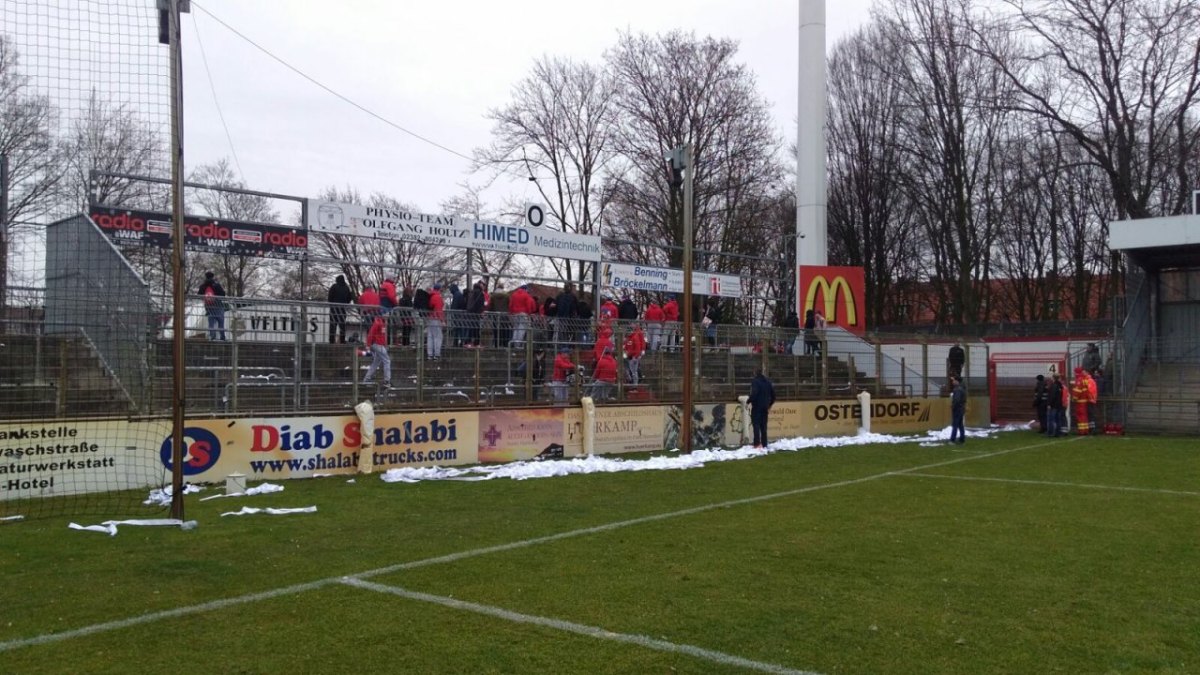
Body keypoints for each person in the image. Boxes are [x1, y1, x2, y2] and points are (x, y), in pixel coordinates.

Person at [360, 314, 390, 390]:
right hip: (377, 344)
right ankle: (387, 380)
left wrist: (384, 344)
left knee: (376, 362)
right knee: (387, 361)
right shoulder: (378, 322)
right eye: (386, 314)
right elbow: (371, 333)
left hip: (379, 344)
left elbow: (382, 335)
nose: (388, 315)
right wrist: (368, 345)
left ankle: (366, 379)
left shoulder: (382, 322)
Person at [748, 367, 776, 448]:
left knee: (756, 424)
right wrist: (769, 405)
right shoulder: (768, 382)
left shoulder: (755, 381)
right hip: (765, 407)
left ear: (755, 373)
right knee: (763, 426)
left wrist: (748, 401)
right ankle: (764, 443)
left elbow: (754, 394)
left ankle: (757, 443)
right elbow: (773, 396)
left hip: (757, 406)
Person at [198, 271, 227, 341]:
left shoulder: (203, 286)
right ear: (212, 277)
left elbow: (199, 295)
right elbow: (223, 294)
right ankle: (222, 337)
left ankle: (212, 336)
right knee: (221, 322)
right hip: (218, 305)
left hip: (209, 306)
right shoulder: (216, 285)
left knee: (211, 322)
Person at [326, 274, 354, 344]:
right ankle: (342, 340)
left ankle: (331, 340)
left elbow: (329, 298)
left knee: (333, 325)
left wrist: (331, 304)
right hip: (342, 309)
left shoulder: (334, 287)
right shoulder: (346, 288)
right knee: (342, 325)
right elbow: (349, 298)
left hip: (334, 309)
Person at [426, 282, 445, 360]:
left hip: (430, 318)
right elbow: (439, 310)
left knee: (430, 336)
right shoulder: (438, 297)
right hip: (436, 319)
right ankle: (436, 354)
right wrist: (442, 320)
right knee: (438, 337)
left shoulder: (430, 296)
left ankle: (430, 354)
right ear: (439, 289)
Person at [1047, 372, 1067, 437]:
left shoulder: (1054, 385)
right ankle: (1058, 432)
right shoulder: (1060, 386)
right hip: (1059, 405)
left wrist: (1049, 404)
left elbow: (1052, 396)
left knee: (1051, 419)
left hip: (1054, 405)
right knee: (1058, 419)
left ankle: (1051, 432)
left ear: (1053, 378)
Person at [948, 375, 967, 444]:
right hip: (961, 408)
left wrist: (953, 406)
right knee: (960, 425)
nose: (952, 382)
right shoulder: (962, 388)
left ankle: (952, 439)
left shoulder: (957, 390)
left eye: (953, 380)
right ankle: (962, 439)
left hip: (957, 409)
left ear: (957, 381)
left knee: (955, 425)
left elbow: (957, 400)